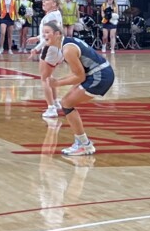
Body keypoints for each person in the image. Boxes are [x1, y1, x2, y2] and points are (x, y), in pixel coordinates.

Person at [49, 22, 118, 159]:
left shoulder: (67, 50)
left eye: (46, 33)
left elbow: (79, 76)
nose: (43, 36)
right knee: (66, 102)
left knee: (67, 104)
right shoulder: (67, 42)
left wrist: (57, 83)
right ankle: (83, 143)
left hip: (100, 76)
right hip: (98, 72)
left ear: (57, 34)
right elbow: (80, 74)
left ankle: (84, 144)